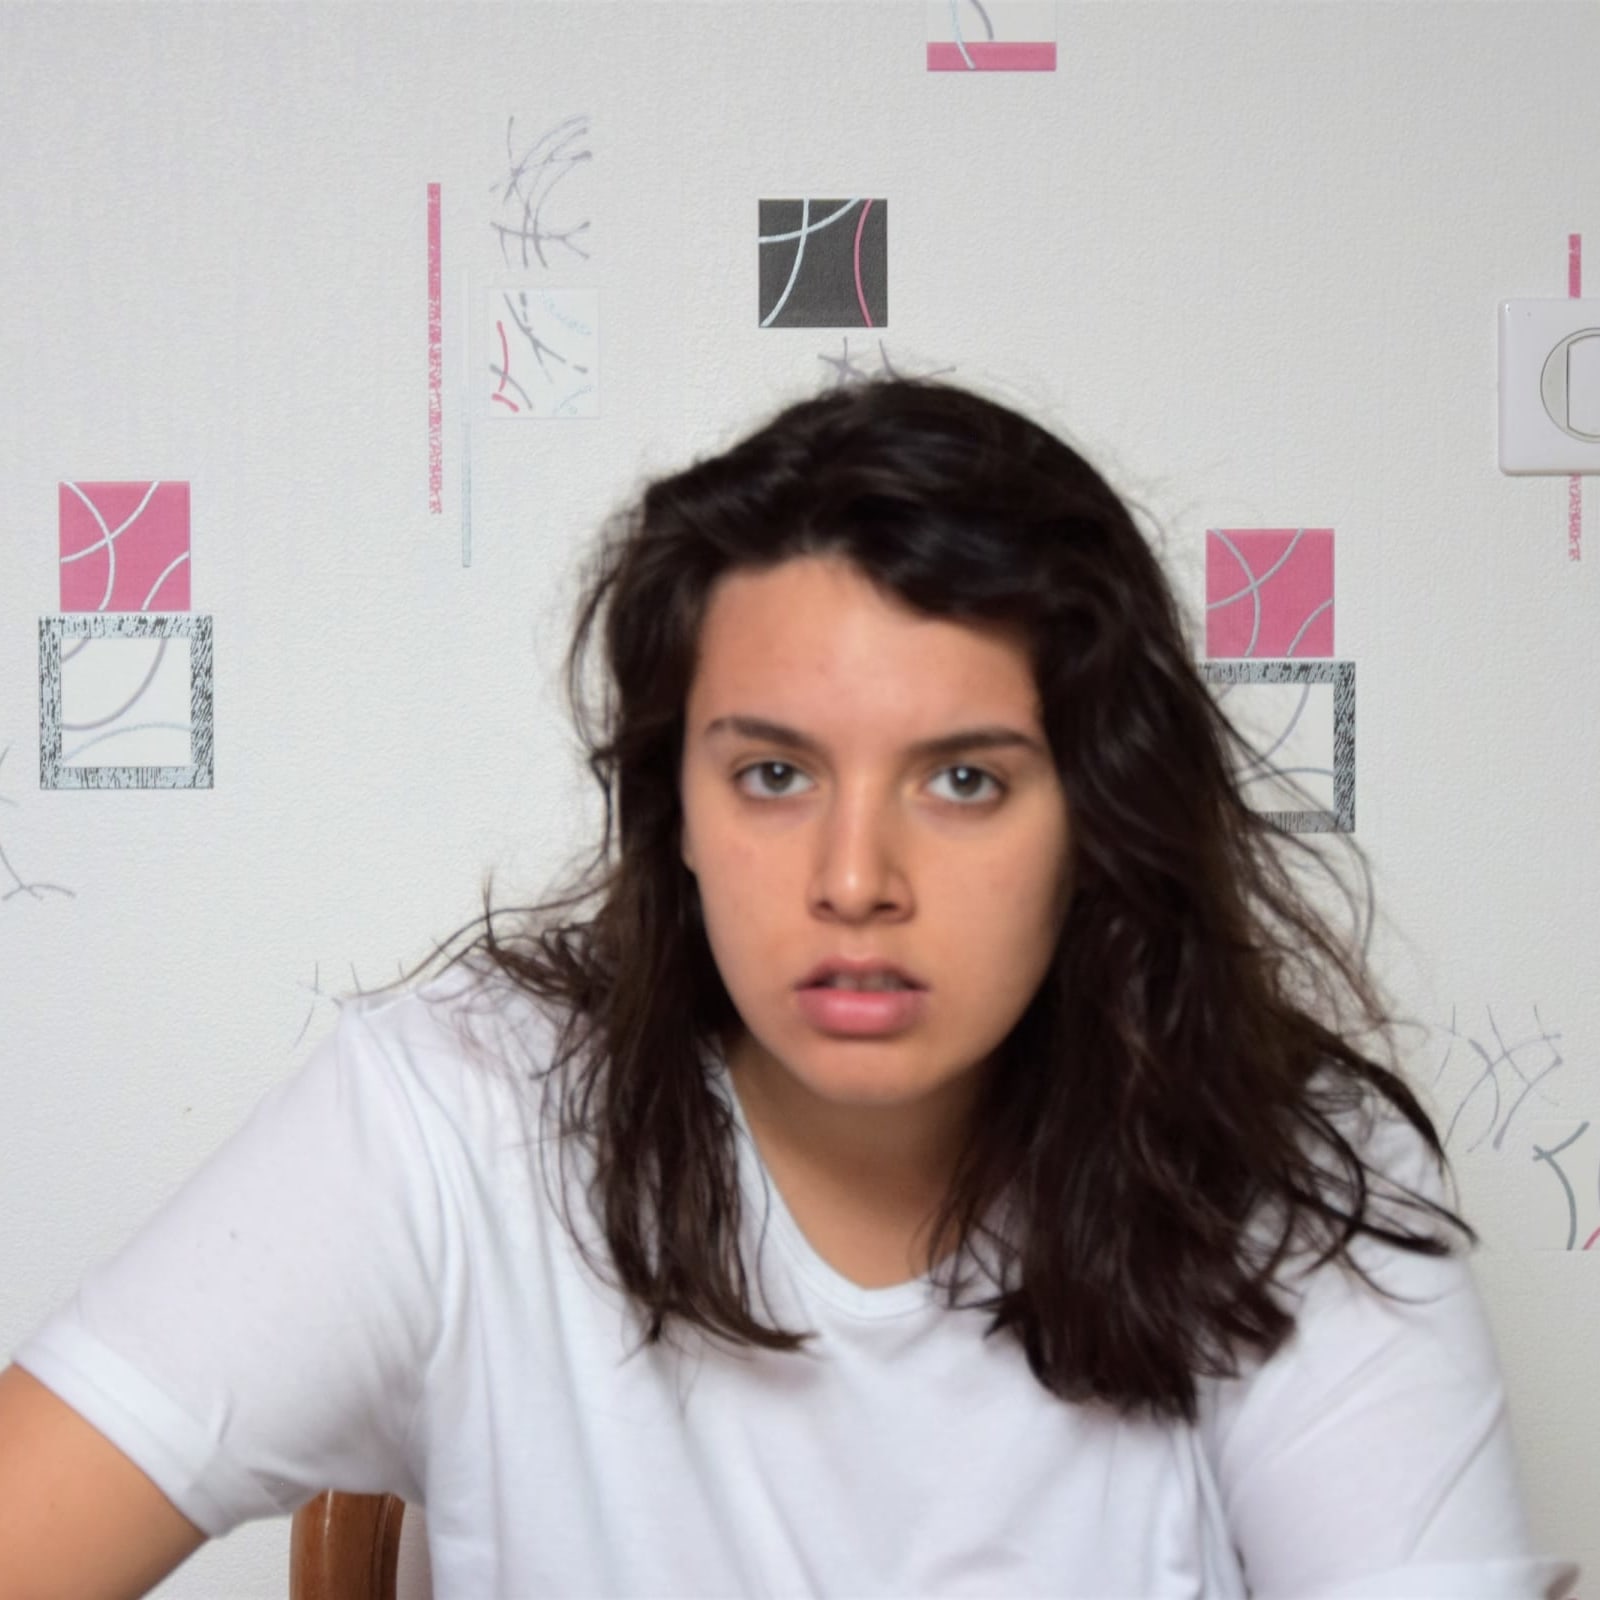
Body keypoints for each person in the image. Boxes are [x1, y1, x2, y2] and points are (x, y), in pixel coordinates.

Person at [0, 378, 1578, 1599]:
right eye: (772, 774)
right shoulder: (457, 1118)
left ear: (1094, 821)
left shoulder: (1287, 1180)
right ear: (674, 812)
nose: (854, 878)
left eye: (964, 779)